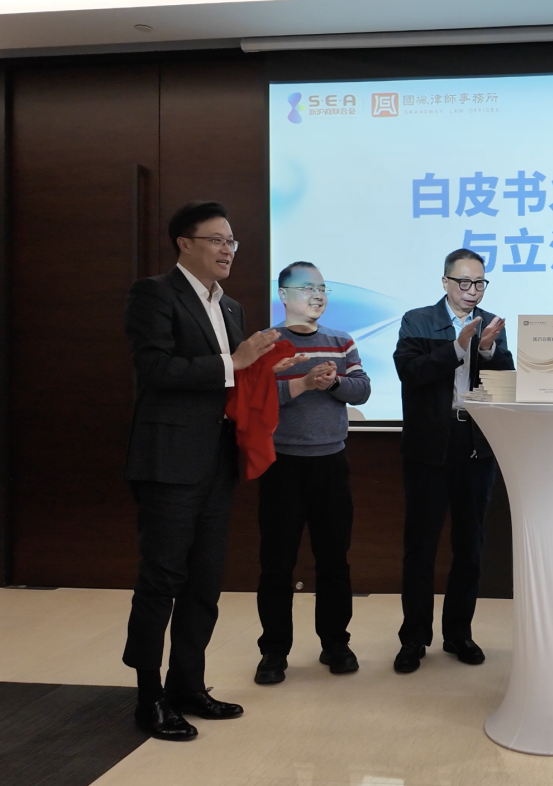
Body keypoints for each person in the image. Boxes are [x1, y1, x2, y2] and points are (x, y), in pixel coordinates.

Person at [123, 201, 300, 740]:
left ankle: (188, 685)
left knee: (204, 581)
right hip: (169, 459)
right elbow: (155, 368)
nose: (227, 250)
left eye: (232, 242)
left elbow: (232, 381)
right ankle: (149, 697)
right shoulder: (155, 293)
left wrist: (262, 367)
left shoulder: (232, 307)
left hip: (217, 459)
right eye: (217, 240)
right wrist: (235, 362)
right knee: (162, 579)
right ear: (185, 243)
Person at [391, 249, 514, 673]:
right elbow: (411, 373)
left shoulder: (492, 322)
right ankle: (414, 639)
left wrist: (489, 350)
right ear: (445, 282)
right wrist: (458, 348)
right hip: (429, 444)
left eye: (479, 283)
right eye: (464, 282)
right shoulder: (418, 321)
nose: (472, 291)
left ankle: (459, 633)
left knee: (470, 545)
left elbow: (506, 383)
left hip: (475, 442)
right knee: (420, 546)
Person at [253, 262, 372, 686]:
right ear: (284, 295)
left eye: (322, 288)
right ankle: (273, 652)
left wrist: (333, 383)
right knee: (277, 563)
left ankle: (336, 644)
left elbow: (362, 389)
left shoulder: (341, 341)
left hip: (331, 464)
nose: (317, 295)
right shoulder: (267, 343)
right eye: (307, 288)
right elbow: (256, 398)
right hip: (282, 465)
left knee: (334, 560)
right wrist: (303, 383)